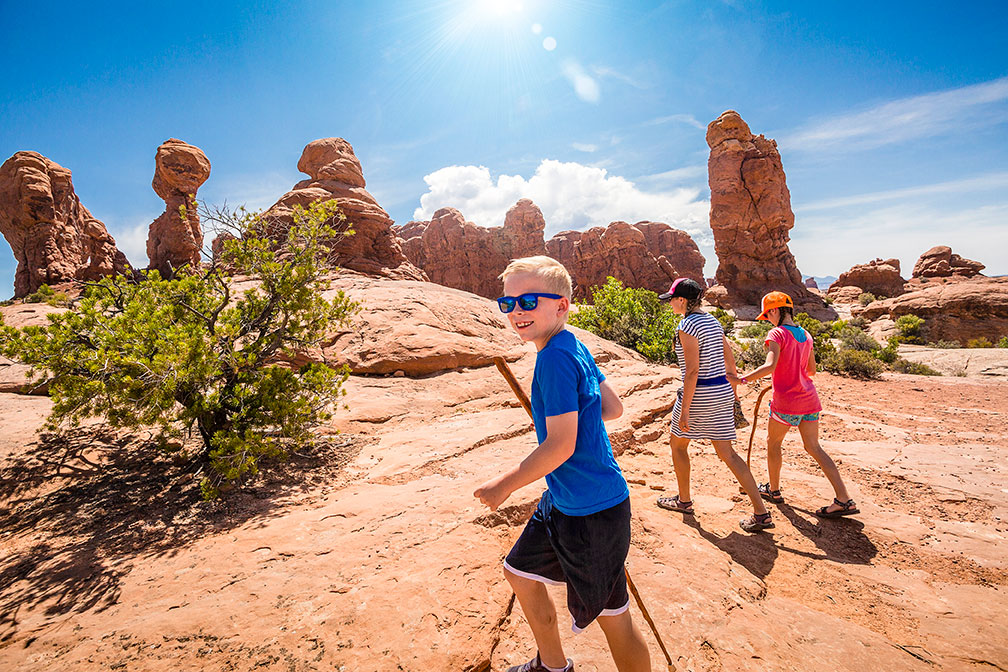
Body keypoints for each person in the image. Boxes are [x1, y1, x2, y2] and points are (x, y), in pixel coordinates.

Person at [474, 256, 650, 672]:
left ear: (562, 305)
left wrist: (504, 485)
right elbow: (612, 407)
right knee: (519, 571)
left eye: (529, 300)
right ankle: (552, 666)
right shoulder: (573, 345)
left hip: (592, 513)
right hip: (567, 500)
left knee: (615, 620)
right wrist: (573, 414)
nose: (517, 310)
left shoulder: (553, 359)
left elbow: (560, 448)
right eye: (508, 303)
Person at [655, 278, 774, 533]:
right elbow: (728, 357)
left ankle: (684, 501)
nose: (671, 305)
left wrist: (685, 409)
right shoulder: (712, 321)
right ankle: (761, 512)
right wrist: (733, 393)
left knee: (678, 444)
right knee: (728, 454)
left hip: (699, 394)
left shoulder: (687, 325)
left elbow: (692, 371)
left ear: (682, 301)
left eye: (672, 300)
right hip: (720, 391)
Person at [732, 291, 859, 518]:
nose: (767, 320)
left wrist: (742, 380)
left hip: (786, 403)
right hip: (809, 400)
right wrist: (791, 373)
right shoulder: (806, 334)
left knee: (773, 444)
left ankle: (774, 490)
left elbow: (770, 366)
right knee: (814, 447)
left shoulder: (776, 333)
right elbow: (811, 370)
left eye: (767, 315)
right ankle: (843, 498)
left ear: (774, 311)